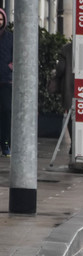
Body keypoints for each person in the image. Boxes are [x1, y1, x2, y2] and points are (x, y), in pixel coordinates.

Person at [0, 8, 13, 157]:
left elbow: (16, 55)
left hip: (5, 81)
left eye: (1, 19)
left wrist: (11, 66)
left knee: (5, 111)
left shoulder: (10, 38)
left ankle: (5, 144)